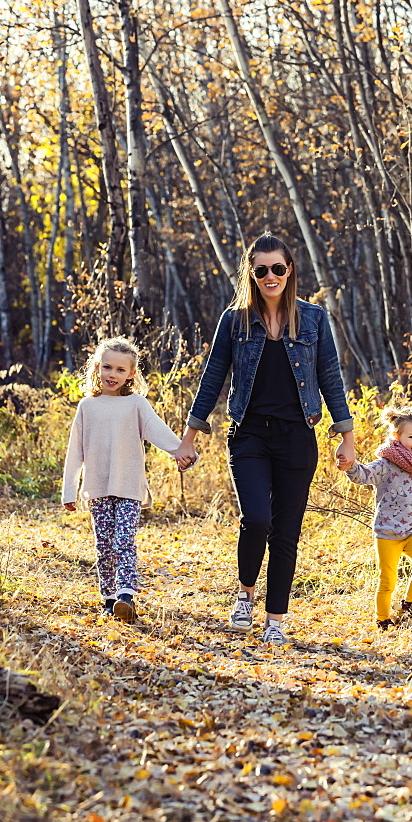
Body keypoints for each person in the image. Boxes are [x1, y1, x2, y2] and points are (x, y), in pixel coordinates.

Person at [175, 232, 354, 645]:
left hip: (297, 437)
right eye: (261, 269)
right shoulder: (234, 320)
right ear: (251, 273)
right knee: (257, 518)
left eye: (277, 268)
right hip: (249, 435)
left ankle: (275, 618)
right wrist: (189, 438)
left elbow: (330, 377)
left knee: (286, 531)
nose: (270, 276)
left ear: (289, 270)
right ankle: (245, 593)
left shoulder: (313, 319)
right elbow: (212, 380)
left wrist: (347, 437)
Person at [62, 337, 190, 624]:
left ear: (131, 373)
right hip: (97, 487)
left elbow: (158, 432)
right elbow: (75, 451)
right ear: (96, 367)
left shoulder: (136, 404)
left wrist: (182, 451)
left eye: (120, 370)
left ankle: (126, 595)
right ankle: (109, 599)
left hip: (129, 485)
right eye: (107, 367)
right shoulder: (88, 406)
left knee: (124, 541)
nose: (112, 374)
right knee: (104, 545)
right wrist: (70, 489)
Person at [336, 403, 412, 630]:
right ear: (396, 436)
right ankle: (382, 619)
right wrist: (350, 466)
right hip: (388, 532)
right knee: (387, 580)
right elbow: (364, 475)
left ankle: (409, 606)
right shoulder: (386, 464)